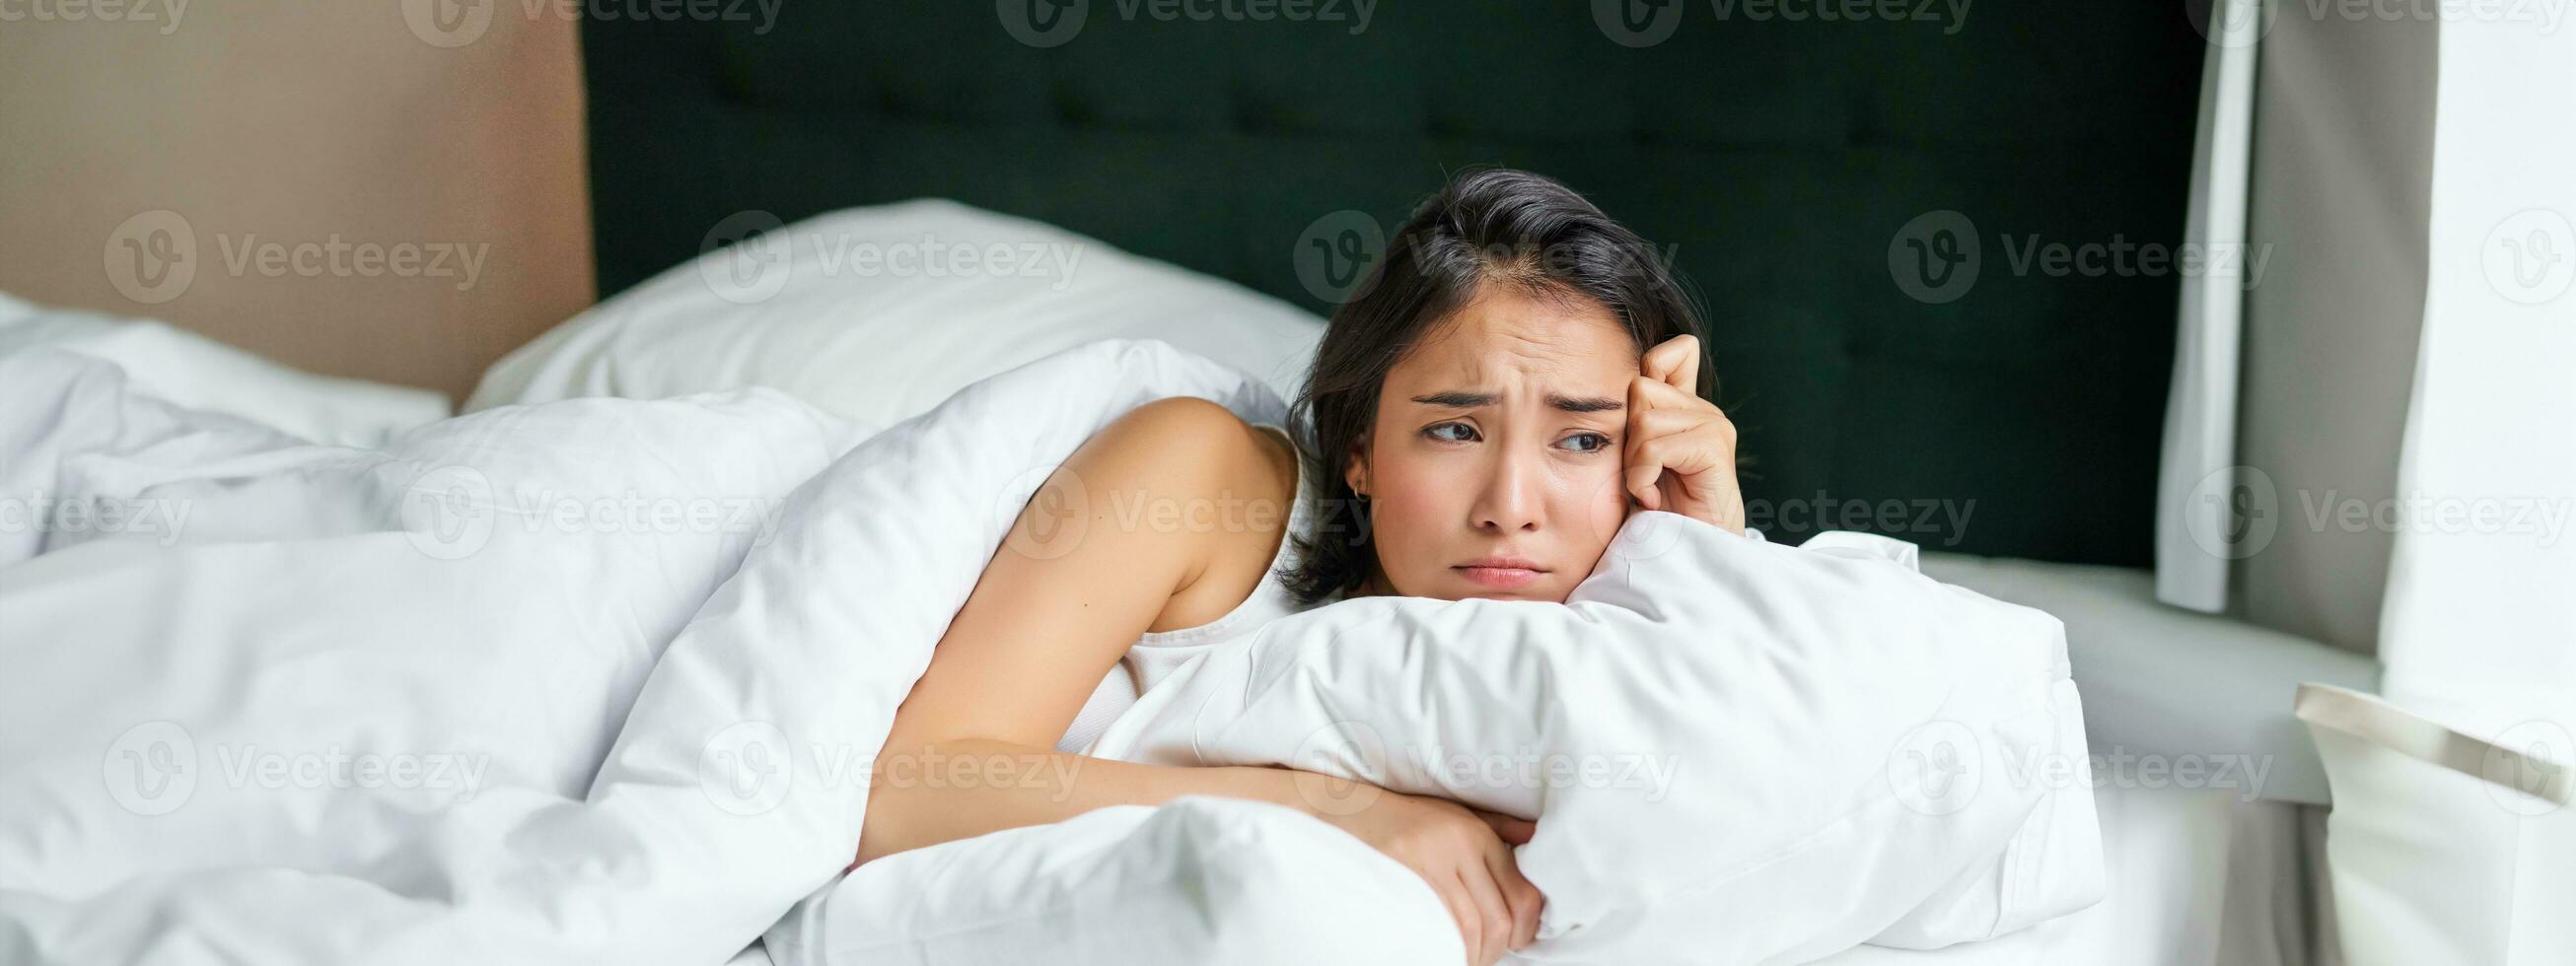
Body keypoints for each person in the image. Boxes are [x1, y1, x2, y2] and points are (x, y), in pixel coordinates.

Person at [855, 167, 1745, 966]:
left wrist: (1705, 561)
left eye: (1583, 439)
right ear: (1358, 446)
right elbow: (903, 792)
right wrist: (1338, 814)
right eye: (1454, 429)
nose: (1511, 504)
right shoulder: (1204, 481)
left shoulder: (1611, 617)